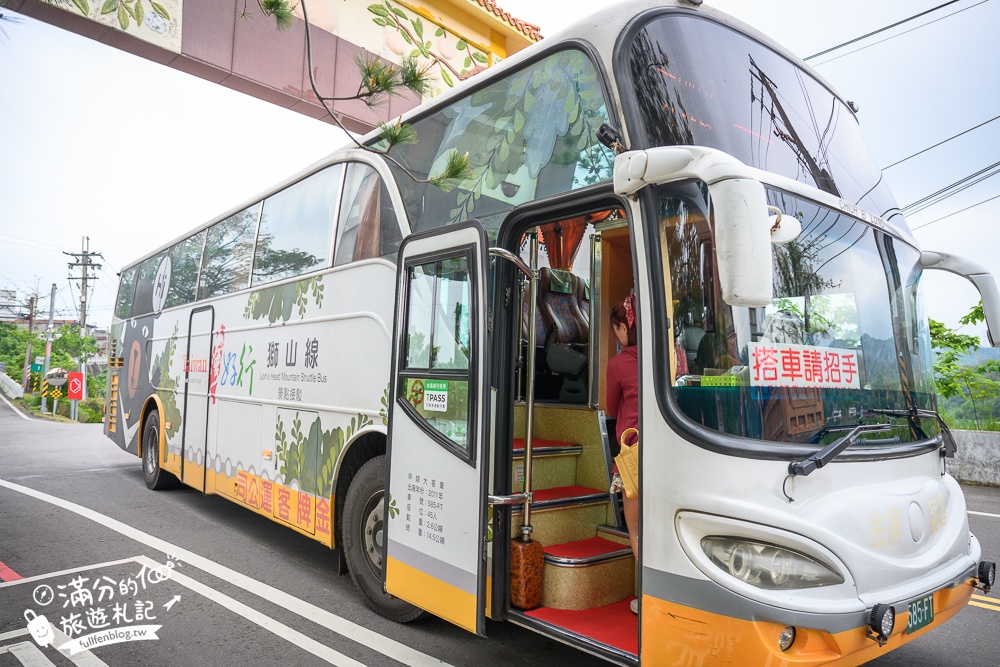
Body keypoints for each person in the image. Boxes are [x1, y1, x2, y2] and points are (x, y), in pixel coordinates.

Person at [606, 294, 640, 614]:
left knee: (637, 531)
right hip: (668, 454)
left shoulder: (617, 364)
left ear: (622, 328)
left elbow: (609, 408)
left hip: (634, 456)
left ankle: (647, 598)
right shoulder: (670, 357)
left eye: (615, 329)